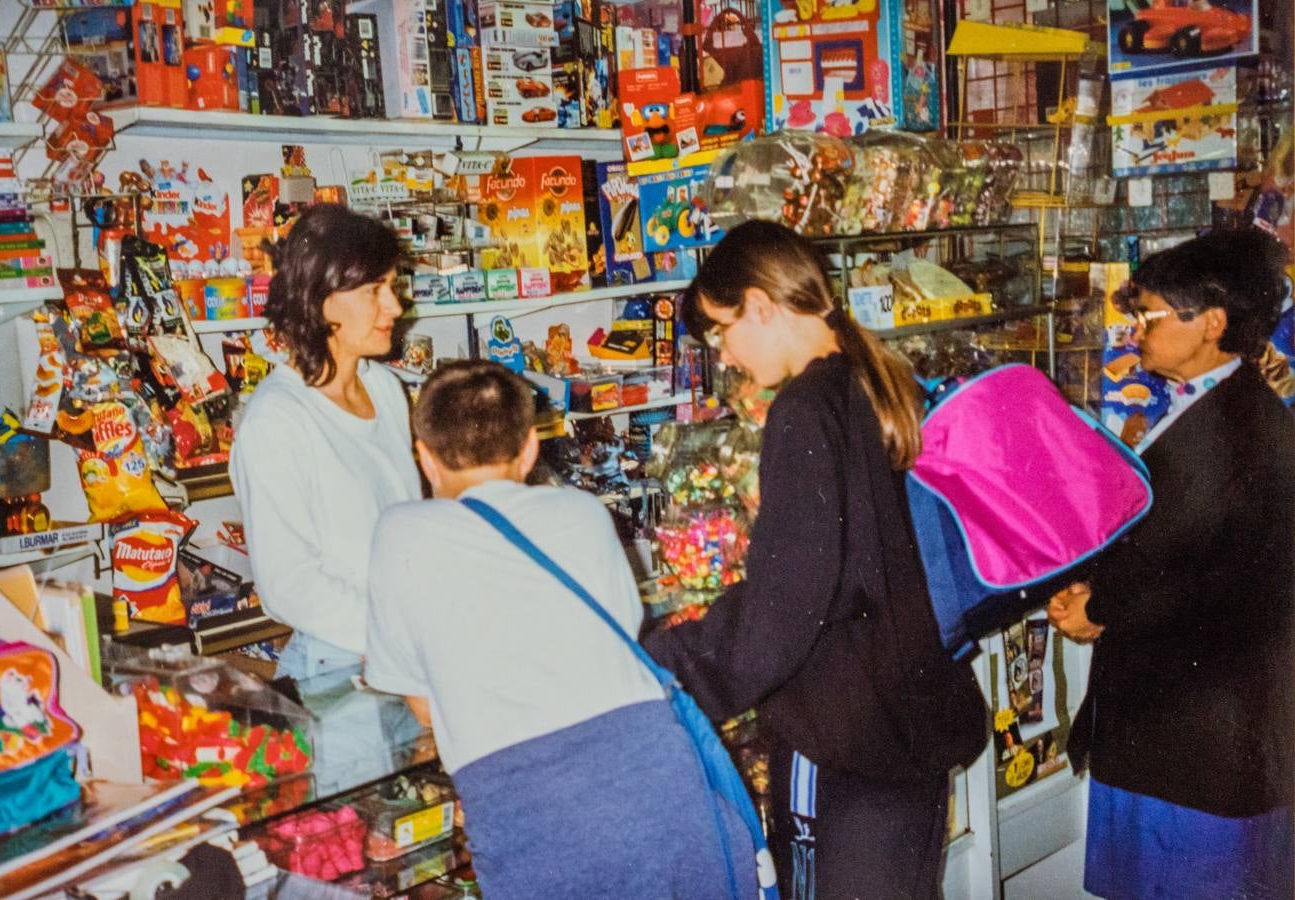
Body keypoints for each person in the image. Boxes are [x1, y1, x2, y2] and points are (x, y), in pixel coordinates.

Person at [643, 220, 987, 900]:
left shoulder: (803, 408)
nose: (727, 354)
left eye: (722, 329)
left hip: (843, 733)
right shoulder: (876, 377)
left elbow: (788, 599)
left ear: (761, 305)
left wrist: (666, 664)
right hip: (907, 715)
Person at [363, 360, 757, 900]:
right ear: (530, 448)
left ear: (424, 457)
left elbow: (426, 707)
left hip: (526, 803)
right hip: (653, 774)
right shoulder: (582, 512)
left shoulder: (399, 533)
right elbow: (618, 638)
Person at [1047, 228, 1294, 900]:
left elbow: (1201, 575)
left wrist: (1097, 609)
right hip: (1192, 733)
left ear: (1210, 323)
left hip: (1195, 746)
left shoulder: (1232, 429)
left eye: (1150, 316)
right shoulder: (1225, 407)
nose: (1137, 333)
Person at [229, 205, 423, 777]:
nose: (395, 305)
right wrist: (397, 633)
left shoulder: (386, 390)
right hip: (338, 672)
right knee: (355, 842)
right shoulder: (276, 422)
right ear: (320, 300)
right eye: (376, 290)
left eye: (393, 286)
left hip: (401, 655)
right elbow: (289, 586)